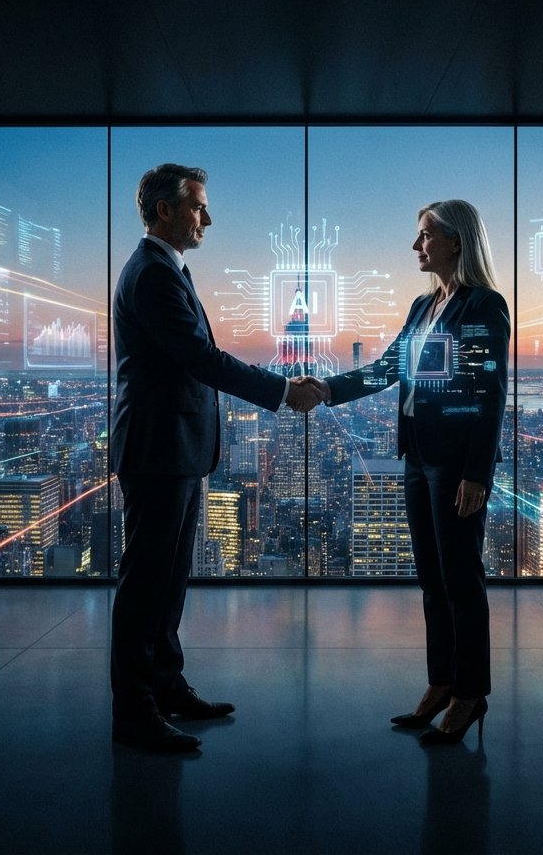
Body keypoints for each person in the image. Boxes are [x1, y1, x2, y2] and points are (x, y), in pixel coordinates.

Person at [110, 163, 324, 753]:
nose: (208, 217)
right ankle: (134, 713)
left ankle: (166, 689)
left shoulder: (165, 270)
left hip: (174, 449)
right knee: (147, 584)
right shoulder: (153, 275)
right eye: (198, 206)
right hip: (158, 450)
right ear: (163, 211)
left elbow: (195, 359)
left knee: (169, 581)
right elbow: (203, 359)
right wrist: (282, 391)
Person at [314, 200, 509, 745]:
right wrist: (327, 389)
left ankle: (471, 694)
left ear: (455, 242)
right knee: (431, 578)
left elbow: (489, 396)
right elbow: (385, 370)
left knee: (461, 580)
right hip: (418, 458)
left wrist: (478, 473)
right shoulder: (423, 309)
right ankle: (440, 683)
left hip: (454, 464)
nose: (415, 245)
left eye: (424, 235)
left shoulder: (484, 307)